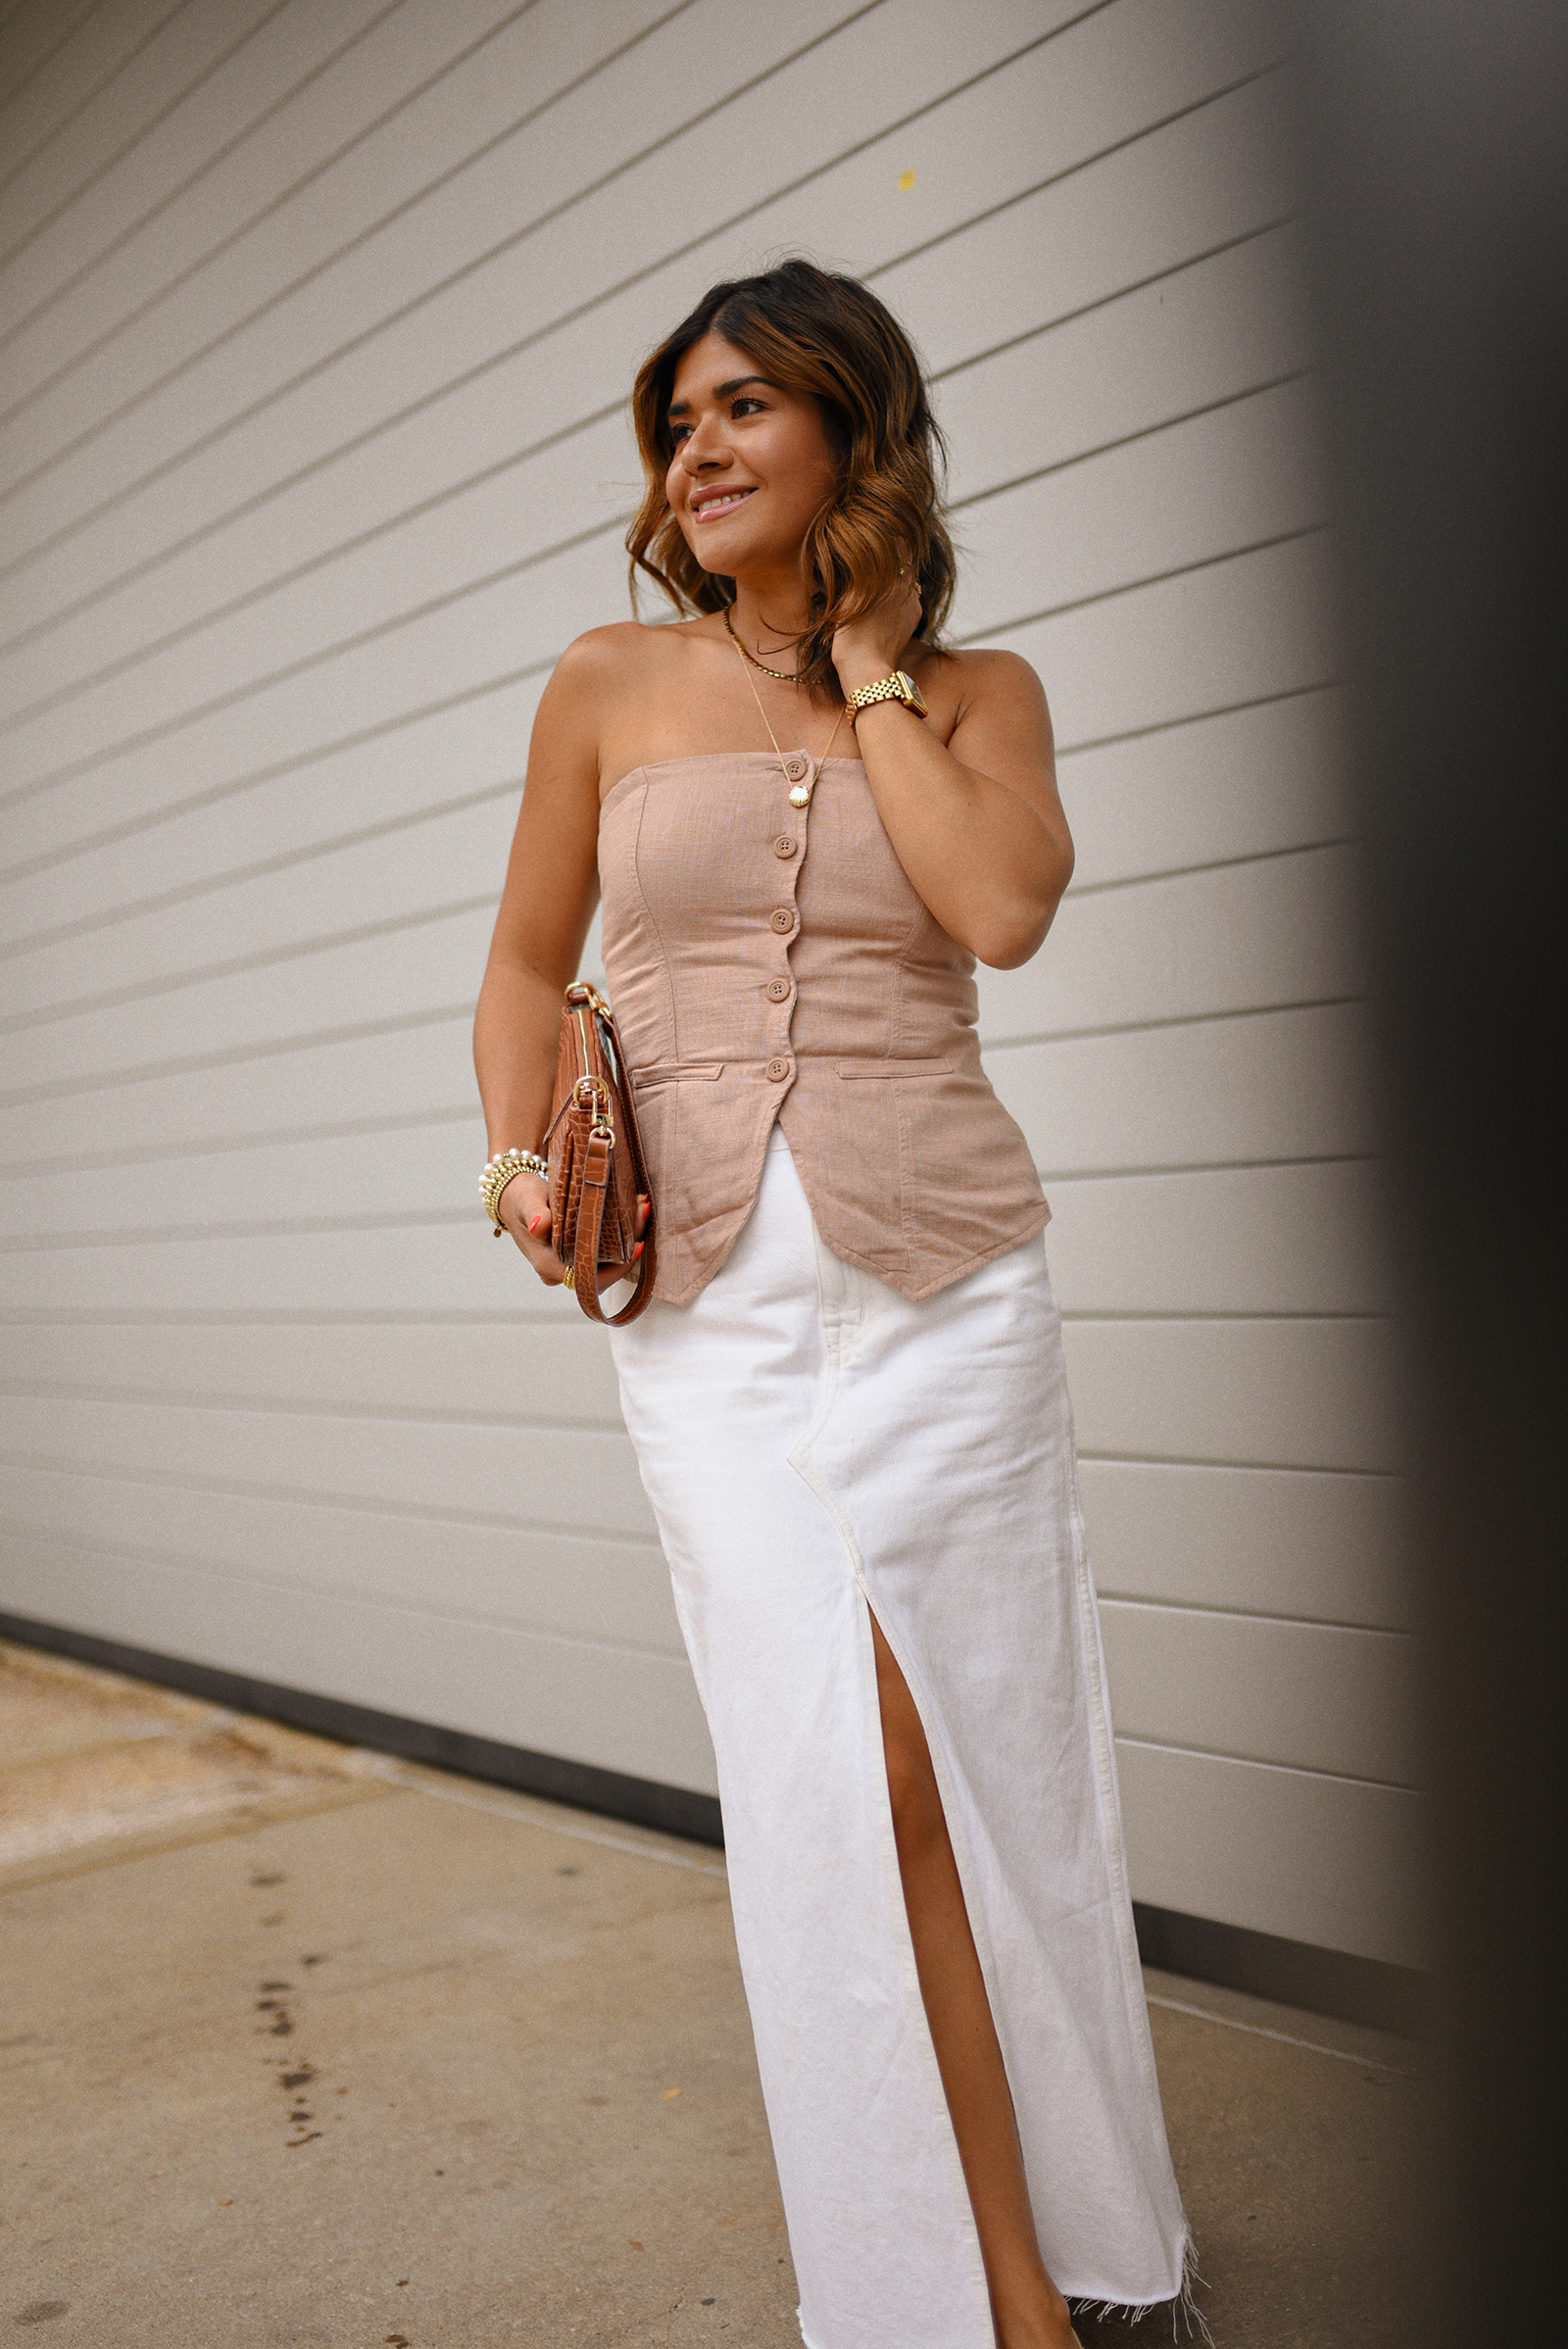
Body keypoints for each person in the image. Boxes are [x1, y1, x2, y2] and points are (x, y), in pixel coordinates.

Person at [473, 259, 1190, 2349]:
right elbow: (528, 962)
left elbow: (996, 908)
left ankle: (1080, 2256)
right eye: (673, 421)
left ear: (846, 431)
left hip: (946, 1293)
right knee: (838, 1782)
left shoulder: (979, 697)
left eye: (737, 410)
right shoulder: (603, 681)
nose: (690, 449)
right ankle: (971, 2302)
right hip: (700, 1319)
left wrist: (871, 666)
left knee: (994, 1771)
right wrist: (514, 1157)